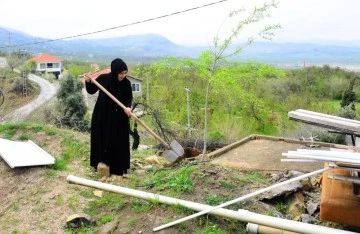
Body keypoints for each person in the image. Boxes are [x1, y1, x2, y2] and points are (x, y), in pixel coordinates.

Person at [84, 58, 133, 176]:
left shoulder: (126, 83)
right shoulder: (103, 79)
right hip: (102, 115)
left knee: (118, 140)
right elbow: (91, 91)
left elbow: (128, 98)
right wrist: (87, 81)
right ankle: (100, 163)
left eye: (125, 73)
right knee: (102, 138)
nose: (123, 76)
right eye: (121, 73)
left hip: (119, 117)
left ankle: (118, 167)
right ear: (115, 71)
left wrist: (128, 107)